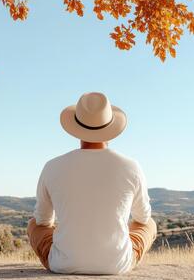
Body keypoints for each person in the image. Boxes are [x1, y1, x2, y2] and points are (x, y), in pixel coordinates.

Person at [27, 92, 157, 274]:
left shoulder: (52, 166)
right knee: (149, 224)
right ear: (110, 128)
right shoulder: (131, 166)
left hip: (63, 264)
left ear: (76, 128)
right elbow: (142, 217)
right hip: (117, 265)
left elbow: (42, 220)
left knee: (33, 224)